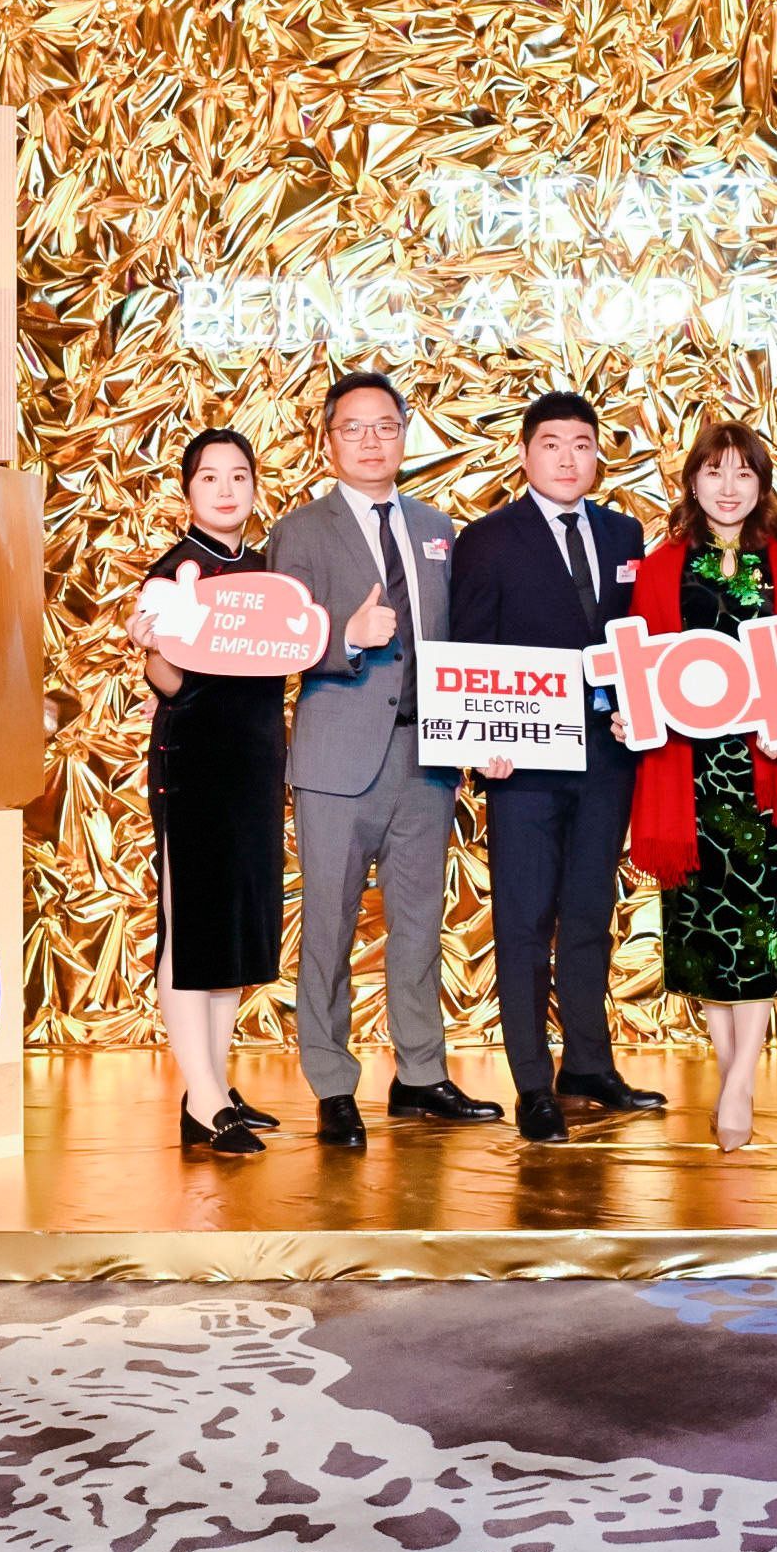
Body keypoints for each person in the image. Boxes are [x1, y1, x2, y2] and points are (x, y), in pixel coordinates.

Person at [263, 371, 499, 1147]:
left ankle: (421, 1074)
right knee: (328, 925)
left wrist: (482, 727)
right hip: (336, 760)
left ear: (404, 433)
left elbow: (460, 640)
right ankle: (332, 1084)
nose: (371, 441)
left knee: (420, 924)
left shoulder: (437, 526)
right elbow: (276, 642)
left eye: (385, 426)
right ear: (329, 441)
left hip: (427, 756)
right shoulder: (300, 531)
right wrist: (345, 638)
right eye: (353, 428)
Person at [448, 391, 666, 1144]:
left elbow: (634, 640)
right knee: (523, 921)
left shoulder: (624, 532)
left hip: (606, 756)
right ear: (524, 453)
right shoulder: (487, 539)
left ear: (597, 455)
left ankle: (589, 1065)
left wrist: (637, 707)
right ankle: (532, 1083)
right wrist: (480, 740)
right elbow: (470, 648)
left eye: (581, 444)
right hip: (523, 763)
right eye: (551, 444)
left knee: (588, 916)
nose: (568, 458)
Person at [620, 421, 777, 1151]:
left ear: (762, 485)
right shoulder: (661, 569)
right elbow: (641, 666)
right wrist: (630, 712)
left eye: (743, 473)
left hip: (763, 772)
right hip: (687, 775)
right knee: (704, 930)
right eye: (714, 472)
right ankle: (730, 1070)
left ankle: (740, 1083)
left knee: (761, 928)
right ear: (692, 483)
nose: (728, 487)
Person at [125, 428, 288, 1156]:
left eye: (239, 476)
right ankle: (202, 1097)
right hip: (194, 764)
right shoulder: (174, 573)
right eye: (209, 477)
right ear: (187, 490)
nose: (226, 490)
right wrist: (150, 649)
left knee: (232, 931)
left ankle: (214, 1086)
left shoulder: (266, 574)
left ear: (254, 487)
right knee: (191, 929)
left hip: (255, 764)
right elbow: (173, 686)